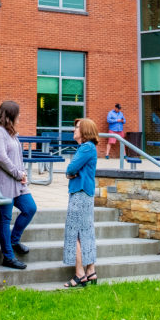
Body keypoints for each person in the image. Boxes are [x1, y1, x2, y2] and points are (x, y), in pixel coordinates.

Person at [0, 101, 37, 269]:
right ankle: (8, 257)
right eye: (18, 113)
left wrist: (23, 175)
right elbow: (1, 158)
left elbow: (18, 158)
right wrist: (18, 173)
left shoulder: (11, 133)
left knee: (30, 208)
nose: (20, 116)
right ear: (10, 115)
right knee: (5, 220)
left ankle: (14, 240)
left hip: (18, 184)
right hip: (4, 185)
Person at [63, 117, 98, 288]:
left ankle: (79, 274)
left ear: (85, 131)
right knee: (86, 231)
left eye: (77, 128)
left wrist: (70, 173)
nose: (74, 130)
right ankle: (91, 271)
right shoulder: (89, 148)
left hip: (80, 193)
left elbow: (70, 169)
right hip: (85, 193)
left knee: (74, 232)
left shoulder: (85, 148)